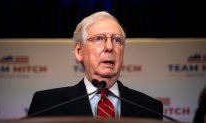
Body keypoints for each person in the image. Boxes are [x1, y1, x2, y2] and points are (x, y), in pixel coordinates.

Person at [28, 11, 163, 119]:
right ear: (79, 51)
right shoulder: (47, 105)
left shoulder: (150, 108)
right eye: (99, 39)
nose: (109, 47)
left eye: (117, 40)